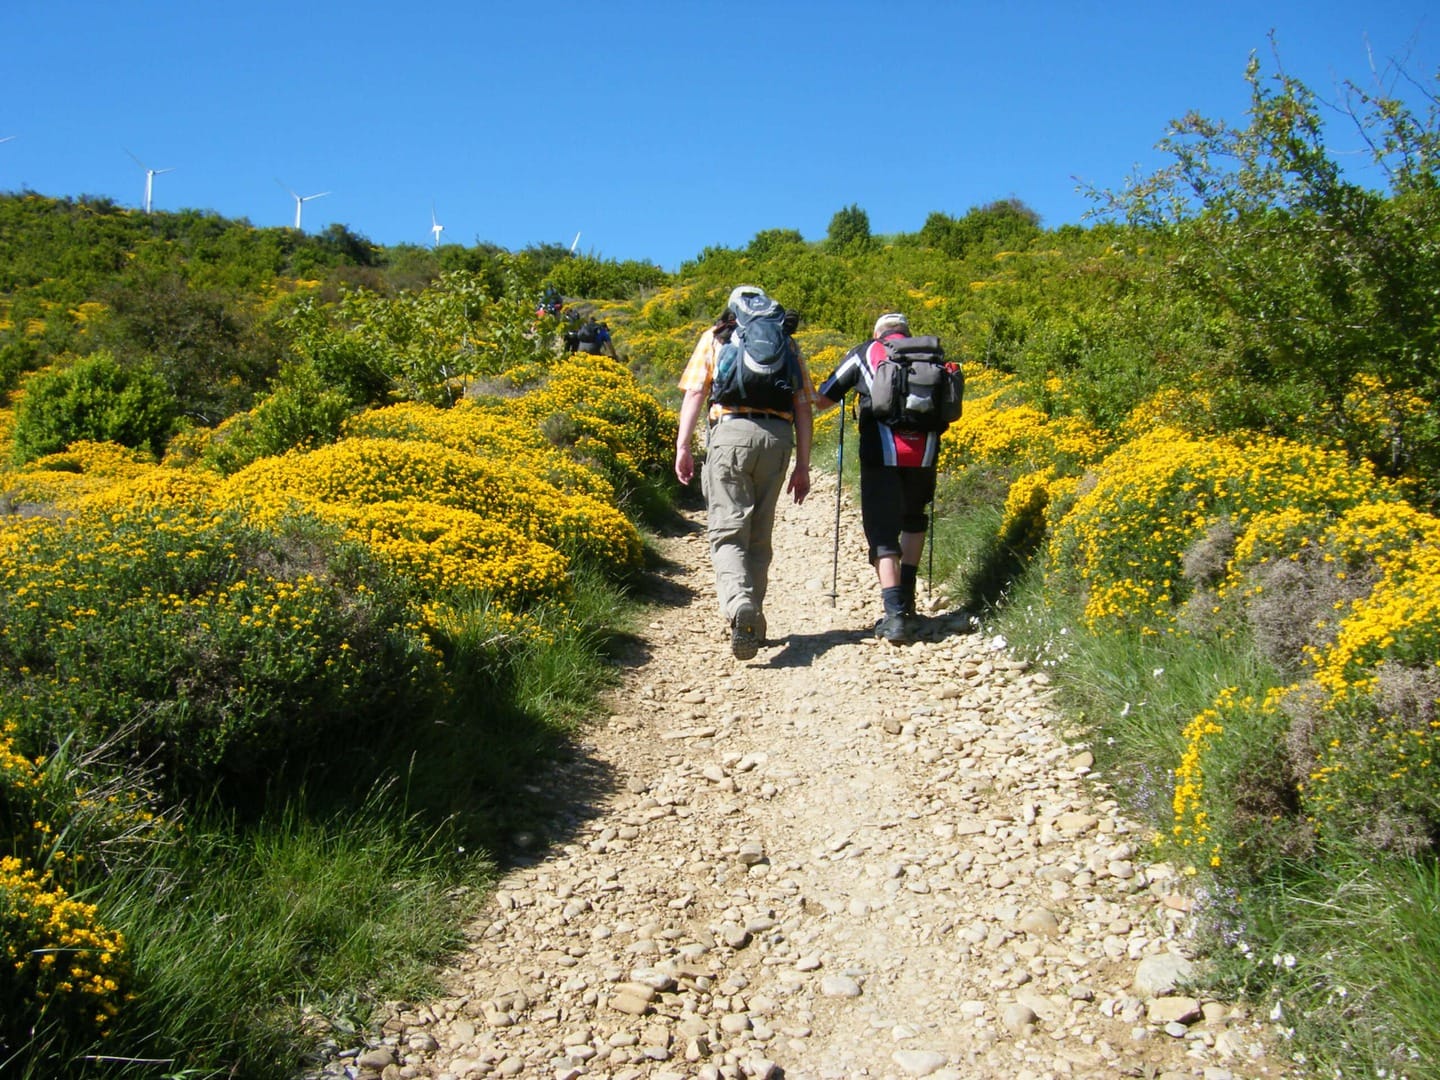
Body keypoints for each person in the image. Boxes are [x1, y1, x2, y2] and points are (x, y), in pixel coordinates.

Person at [675, 285, 814, 660]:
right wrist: (802, 466)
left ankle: (739, 607)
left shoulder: (718, 336)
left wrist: (683, 445)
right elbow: (804, 407)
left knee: (727, 532)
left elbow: (694, 394)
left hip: (731, 434)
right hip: (778, 438)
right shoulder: (786, 341)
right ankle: (755, 619)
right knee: (758, 535)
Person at [813, 312, 939, 644]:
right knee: (914, 519)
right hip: (925, 453)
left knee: (882, 531)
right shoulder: (931, 357)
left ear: (878, 332)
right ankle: (908, 598)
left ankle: (895, 615)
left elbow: (824, 398)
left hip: (881, 454)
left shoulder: (865, 352)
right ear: (907, 333)